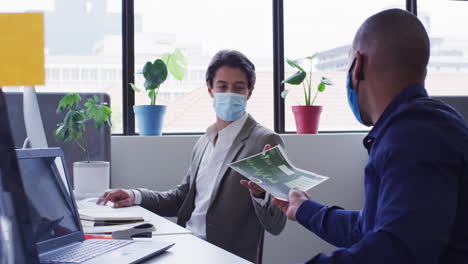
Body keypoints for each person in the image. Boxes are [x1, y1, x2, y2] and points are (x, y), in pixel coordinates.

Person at [272, 9, 468, 264]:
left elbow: (397, 250)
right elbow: (369, 227)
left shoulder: (415, 136)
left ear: (358, 65)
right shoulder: (414, 127)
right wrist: (303, 208)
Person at [97, 49, 286, 262]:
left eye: (239, 87)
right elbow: (181, 198)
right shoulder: (204, 141)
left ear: (249, 92)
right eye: (222, 86)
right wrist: (135, 195)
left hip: (225, 257)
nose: (230, 93)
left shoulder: (265, 141)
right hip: (187, 246)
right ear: (210, 90)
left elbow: (277, 224)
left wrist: (260, 195)